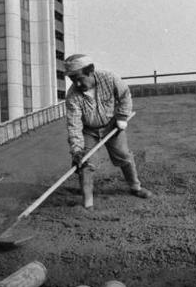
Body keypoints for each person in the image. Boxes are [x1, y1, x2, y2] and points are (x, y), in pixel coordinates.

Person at [64, 54, 153, 209]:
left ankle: (135, 187)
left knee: (124, 156)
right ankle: (87, 203)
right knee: (85, 163)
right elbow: (74, 124)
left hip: (112, 126)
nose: (77, 83)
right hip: (88, 131)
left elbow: (125, 96)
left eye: (79, 78)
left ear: (90, 71)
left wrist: (122, 116)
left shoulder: (109, 78)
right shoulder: (72, 96)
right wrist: (77, 150)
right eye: (72, 79)